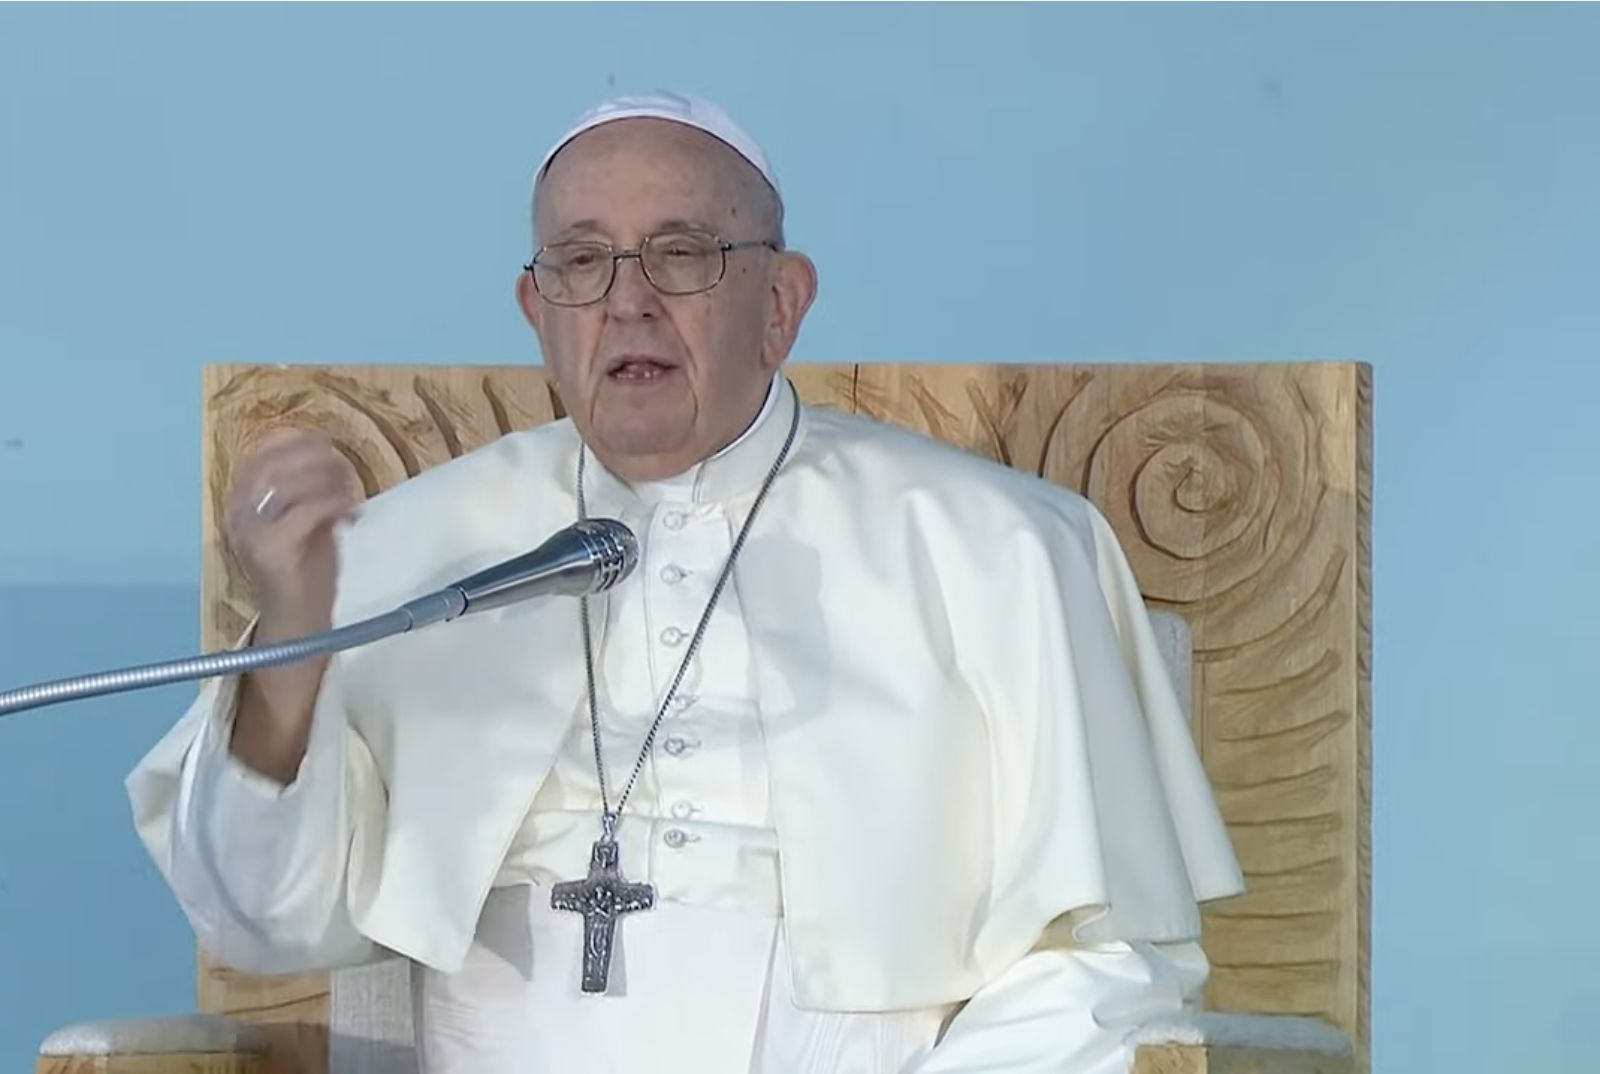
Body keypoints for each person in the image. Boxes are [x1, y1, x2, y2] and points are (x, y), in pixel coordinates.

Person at [128, 91, 1244, 1074]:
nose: (627, 300)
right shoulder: (408, 553)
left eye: (680, 252)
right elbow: (257, 923)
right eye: (581, 259)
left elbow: (1104, 967)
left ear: (780, 304)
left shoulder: (1000, 548)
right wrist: (293, 635)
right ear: (538, 313)